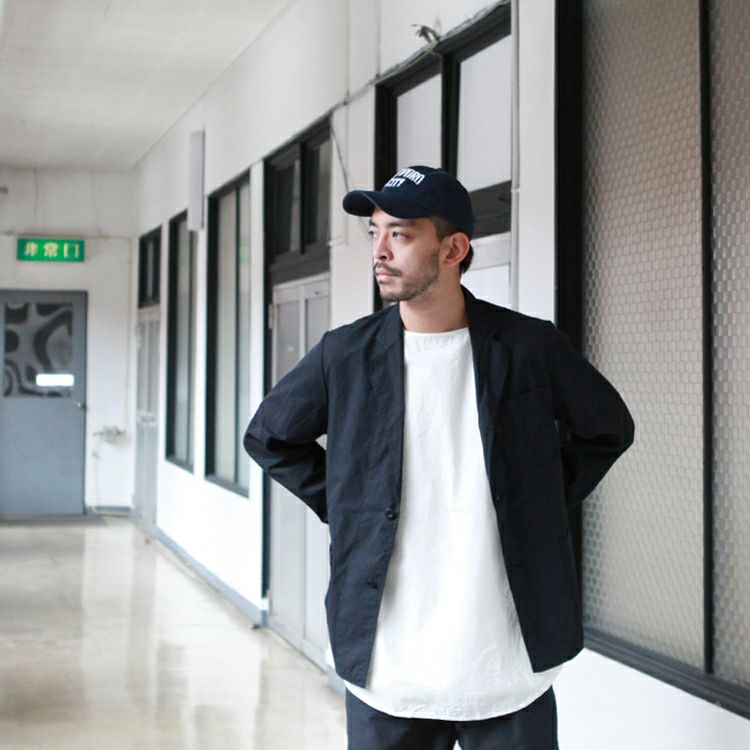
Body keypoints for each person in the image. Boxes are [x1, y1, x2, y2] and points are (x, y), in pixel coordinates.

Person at [243, 165, 635, 749]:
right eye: (375, 233)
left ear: (453, 249)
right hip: (389, 669)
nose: (379, 251)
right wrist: (349, 506)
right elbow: (270, 437)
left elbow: (607, 429)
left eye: (399, 234)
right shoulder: (344, 355)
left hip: (507, 664)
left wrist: (537, 503)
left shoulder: (528, 347)